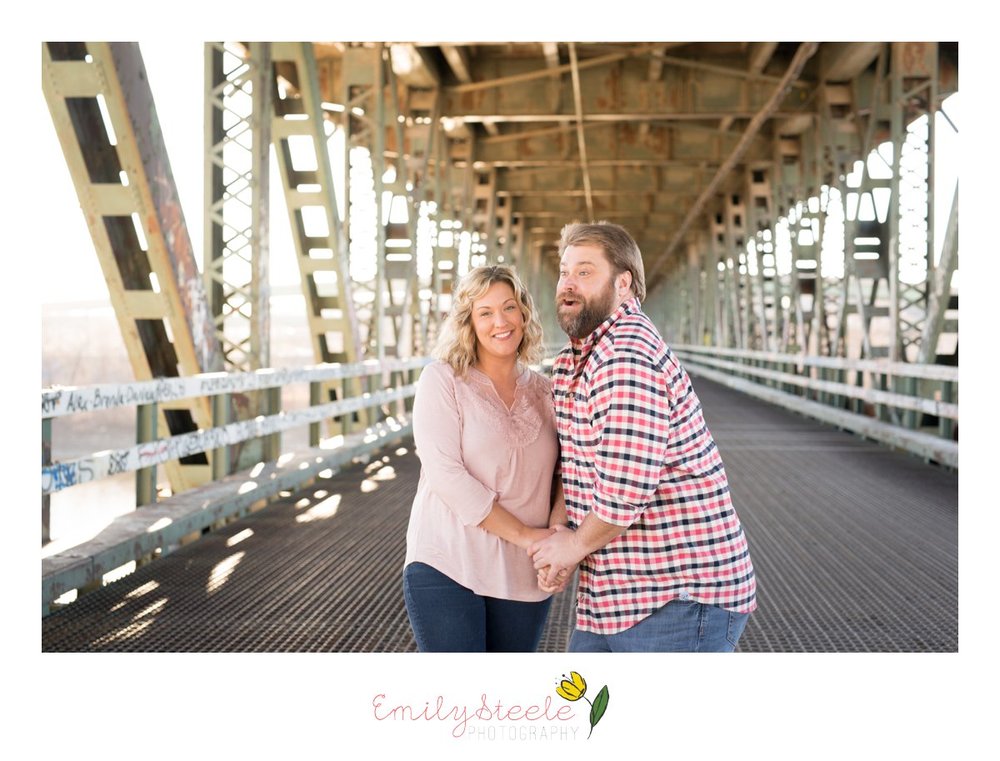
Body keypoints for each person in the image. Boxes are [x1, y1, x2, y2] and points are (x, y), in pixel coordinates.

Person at [529, 221, 757, 652]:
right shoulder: (573, 363)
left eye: (585, 271)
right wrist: (560, 529)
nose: (568, 284)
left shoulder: (626, 357)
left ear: (624, 283)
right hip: (616, 593)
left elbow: (623, 492)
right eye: (563, 271)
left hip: (679, 596)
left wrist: (569, 549)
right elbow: (575, 463)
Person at [402, 265, 566, 652]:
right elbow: (447, 476)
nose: (500, 322)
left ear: (524, 314)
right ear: (469, 323)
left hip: (525, 572)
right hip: (447, 562)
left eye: (509, 308)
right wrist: (530, 536)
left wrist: (557, 538)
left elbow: (568, 474)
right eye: (485, 313)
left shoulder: (547, 392)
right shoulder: (442, 380)